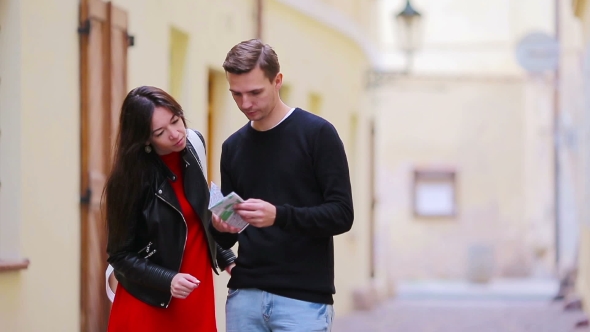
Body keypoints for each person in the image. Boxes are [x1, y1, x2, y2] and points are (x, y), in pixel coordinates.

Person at [210, 39, 354, 332]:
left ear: (278, 81)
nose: (245, 103)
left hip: (302, 300)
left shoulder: (318, 134)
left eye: (254, 92)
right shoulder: (233, 147)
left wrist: (279, 215)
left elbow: (342, 214)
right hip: (244, 297)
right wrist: (221, 228)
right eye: (236, 94)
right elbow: (229, 236)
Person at [104, 86, 236, 332]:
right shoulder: (129, 179)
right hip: (152, 300)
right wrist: (168, 280)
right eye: (160, 132)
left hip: (196, 290)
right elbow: (119, 256)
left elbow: (200, 215)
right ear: (145, 139)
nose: (176, 134)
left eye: (176, 120)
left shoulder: (194, 144)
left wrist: (227, 258)